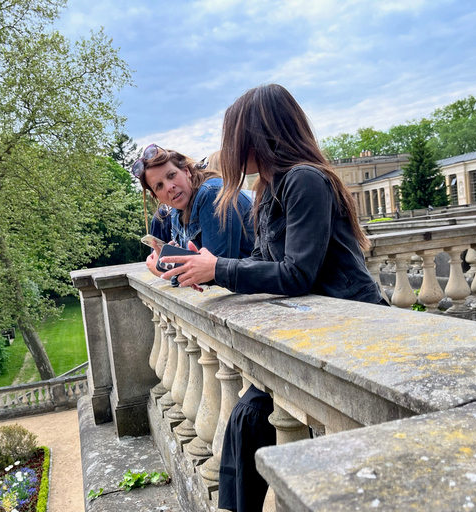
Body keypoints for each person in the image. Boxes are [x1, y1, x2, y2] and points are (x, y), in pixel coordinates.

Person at [161, 84, 385, 511]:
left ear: (257, 133)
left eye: (233, 136)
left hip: (354, 325)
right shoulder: (269, 189)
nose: (227, 148)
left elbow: (298, 273)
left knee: (253, 421)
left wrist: (220, 268)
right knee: (246, 421)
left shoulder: (305, 180)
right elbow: (264, 261)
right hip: (313, 326)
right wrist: (208, 269)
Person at [131, 145, 255, 280]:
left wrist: (163, 271)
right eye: (159, 186)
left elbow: (216, 274)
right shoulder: (176, 212)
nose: (169, 187)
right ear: (156, 196)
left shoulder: (211, 194)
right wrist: (171, 260)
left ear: (186, 171)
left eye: (171, 175)